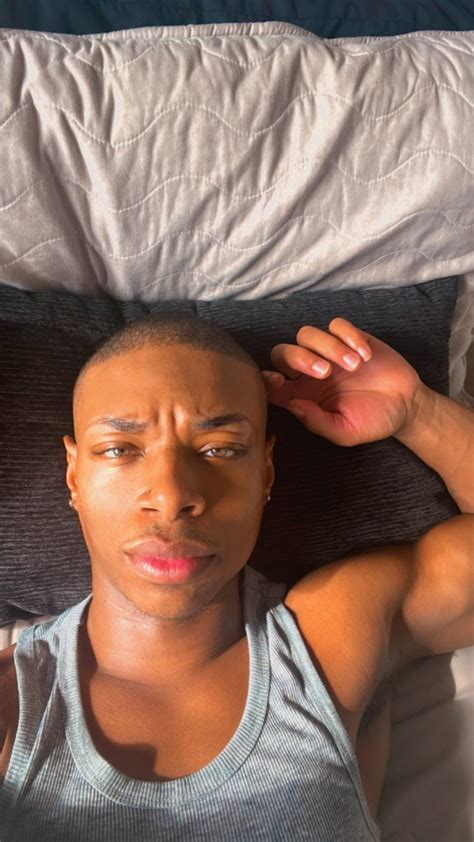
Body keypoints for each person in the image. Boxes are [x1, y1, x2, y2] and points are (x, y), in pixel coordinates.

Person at [0, 313, 472, 842]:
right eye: (119, 450)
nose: (172, 497)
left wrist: (418, 412)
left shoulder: (333, 637)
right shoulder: (13, 703)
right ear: (74, 476)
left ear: (265, 473)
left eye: (220, 449)